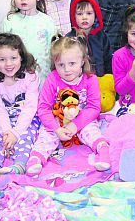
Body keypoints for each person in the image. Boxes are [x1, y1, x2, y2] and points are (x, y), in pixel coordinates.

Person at [25, 37, 110, 175]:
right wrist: (56, 128)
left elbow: (94, 108)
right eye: (61, 65)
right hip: (58, 121)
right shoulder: (52, 79)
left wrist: (75, 125)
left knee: (92, 131)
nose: (67, 69)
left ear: (82, 61)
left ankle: (103, 151)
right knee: (46, 135)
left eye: (72, 63)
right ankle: (35, 158)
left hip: (83, 119)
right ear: (54, 64)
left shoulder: (90, 79)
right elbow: (43, 108)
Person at [0, 33, 41, 180]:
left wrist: (16, 133)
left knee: (27, 136)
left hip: (26, 118)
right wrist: (7, 132)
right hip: (5, 120)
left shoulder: (30, 77)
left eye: (13, 58)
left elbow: (30, 107)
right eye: (2, 59)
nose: (8, 64)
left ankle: (19, 165)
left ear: (21, 56)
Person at [1, 0, 56, 84]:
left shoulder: (47, 22)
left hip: (43, 79)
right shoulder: (10, 21)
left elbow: (55, 51)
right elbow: (1, 51)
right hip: (17, 79)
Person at [66, 0, 111, 77]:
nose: (84, 17)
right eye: (79, 14)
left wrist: (109, 78)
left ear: (96, 14)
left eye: (89, 13)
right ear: (73, 16)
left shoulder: (102, 37)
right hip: (78, 84)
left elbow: (108, 60)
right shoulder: (69, 39)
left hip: (100, 81)